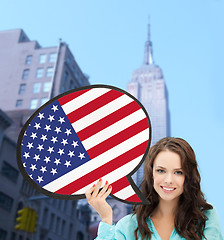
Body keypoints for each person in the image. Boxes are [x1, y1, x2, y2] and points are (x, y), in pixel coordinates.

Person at [85, 137, 223, 240]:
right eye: (161, 171)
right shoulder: (129, 225)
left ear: (189, 176)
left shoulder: (205, 216)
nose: (168, 180)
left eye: (178, 172)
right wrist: (106, 217)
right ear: (151, 174)